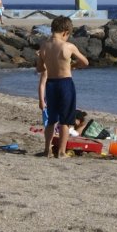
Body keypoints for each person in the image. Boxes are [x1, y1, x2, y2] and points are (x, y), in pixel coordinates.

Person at [36, 16, 89, 158]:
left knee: (51, 119)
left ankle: (47, 150)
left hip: (51, 84)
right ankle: (61, 152)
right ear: (65, 32)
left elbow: (40, 68)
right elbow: (85, 62)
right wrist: (73, 65)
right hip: (65, 83)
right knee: (65, 120)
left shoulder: (44, 46)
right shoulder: (68, 46)